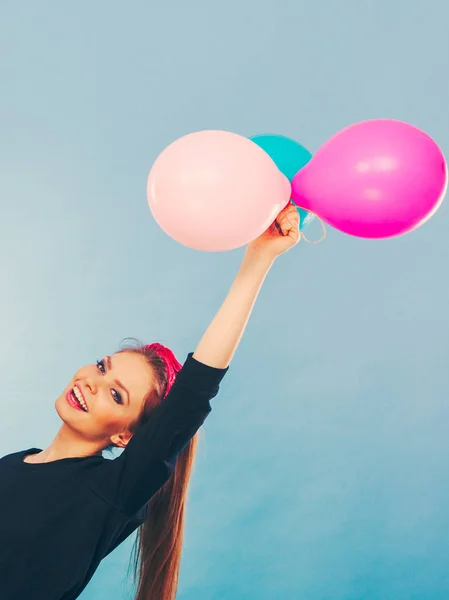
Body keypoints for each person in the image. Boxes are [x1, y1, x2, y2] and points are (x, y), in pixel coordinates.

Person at [0, 203, 301, 600]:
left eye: (115, 393)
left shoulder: (109, 491)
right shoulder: (15, 461)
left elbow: (193, 394)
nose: (92, 382)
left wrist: (258, 258)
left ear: (127, 435)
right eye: (102, 367)